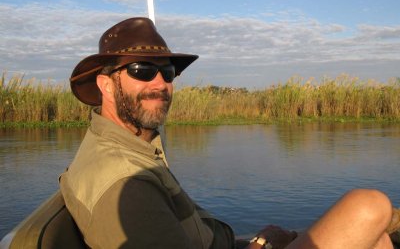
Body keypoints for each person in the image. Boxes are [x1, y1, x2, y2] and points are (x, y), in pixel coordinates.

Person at [60, 17, 397, 249]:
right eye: (142, 71)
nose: (161, 84)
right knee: (368, 206)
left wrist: (257, 241)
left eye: (167, 72)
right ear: (105, 84)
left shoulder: (134, 150)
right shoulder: (123, 182)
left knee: (377, 238)